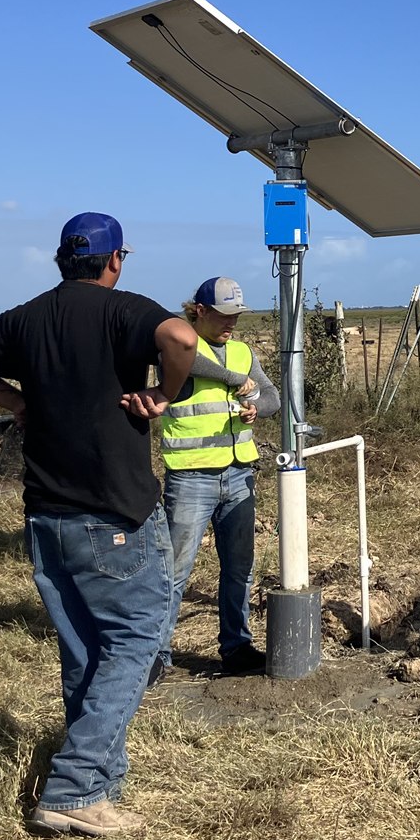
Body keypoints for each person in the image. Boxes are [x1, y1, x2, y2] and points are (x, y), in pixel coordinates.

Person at [0, 212, 197, 837]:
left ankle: (99, 787)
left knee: (84, 650)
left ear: (61, 260)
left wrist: (16, 401)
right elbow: (183, 340)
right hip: (115, 515)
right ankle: (75, 787)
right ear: (115, 261)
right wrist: (165, 392)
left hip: (46, 514)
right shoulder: (123, 310)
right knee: (135, 641)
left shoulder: (27, 317)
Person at [158, 276, 281, 678]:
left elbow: (272, 397)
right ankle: (155, 657)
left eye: (237, 316)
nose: (232, 324)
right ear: (199, 311)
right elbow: (189, 362)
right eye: (224, 316)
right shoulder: (180, 344)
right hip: (191, 478)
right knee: (175, 571)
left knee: (239, 568)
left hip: (238, 473)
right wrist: (232, 380)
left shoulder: (243, 352)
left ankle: (237, 647)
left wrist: (255, 408)